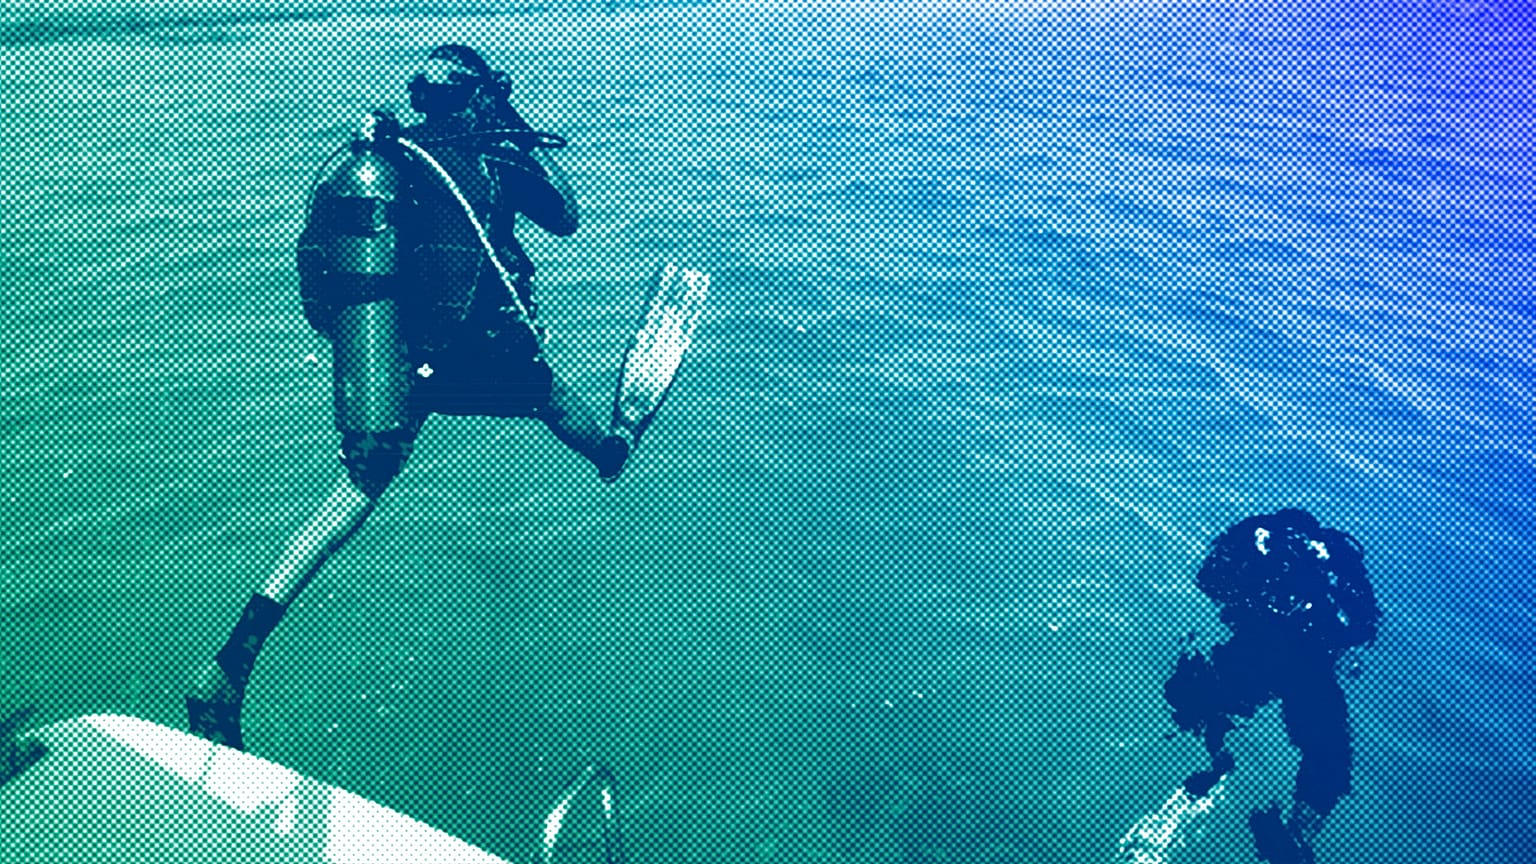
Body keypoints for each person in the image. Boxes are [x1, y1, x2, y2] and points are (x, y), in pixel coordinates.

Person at [186, 44, 706, 751]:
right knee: (555, 401)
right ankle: (611, 450)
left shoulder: (391, 162)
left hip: (406, 357)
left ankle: (229, 667)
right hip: (481, 349)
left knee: (352, 497)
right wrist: (510, 114)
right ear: (479, 98)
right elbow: (566, 214)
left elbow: (325, 280)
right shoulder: (496, 154)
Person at [1162, 509, 1381, 864]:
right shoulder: (1338, 557)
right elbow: (1364, 628)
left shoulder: (1258, 539)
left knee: (1196, 700)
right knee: (1328, 755)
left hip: (1256, 651)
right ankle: (1295, 834)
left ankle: (1217, 760)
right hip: (1308, 666)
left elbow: (1209, 582)